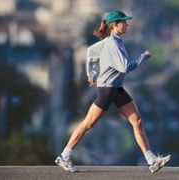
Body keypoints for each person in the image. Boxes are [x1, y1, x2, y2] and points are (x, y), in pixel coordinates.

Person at [55, 10, 170, 174]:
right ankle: (64, 156)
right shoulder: (113, 45)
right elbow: (124, 68)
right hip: (107, 91)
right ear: (114, 25)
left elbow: (90, 52)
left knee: (137, 121)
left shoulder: (111, 41)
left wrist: (91, 73)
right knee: (88, 124)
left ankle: (152, 160)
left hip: (117, 89)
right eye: (123, 22)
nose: (126, 24)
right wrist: (143, 57)